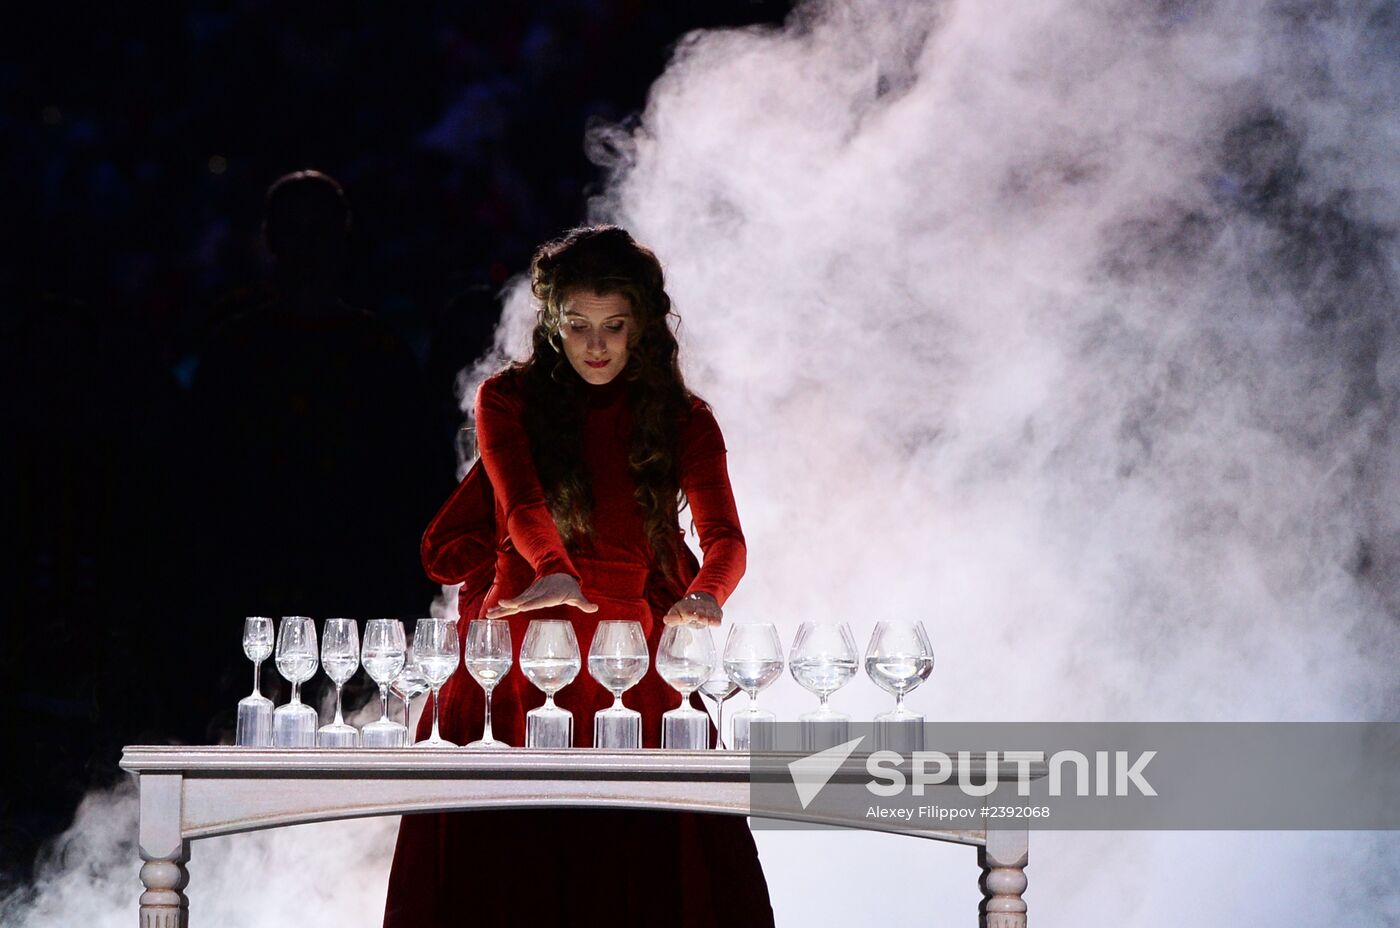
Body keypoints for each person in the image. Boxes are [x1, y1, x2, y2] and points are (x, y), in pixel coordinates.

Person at [383, 225, 774, 927]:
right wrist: (557, 570)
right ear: (553, 325)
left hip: (628, 656)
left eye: (614, 327)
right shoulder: (507, 400)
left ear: (642, 328)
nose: (596, 346)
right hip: (511, 649)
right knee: (504, 865)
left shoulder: (684, 419)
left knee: (635, 863)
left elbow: (726, 539)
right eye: (578, 326)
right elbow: (522, 502)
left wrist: (706, 593)